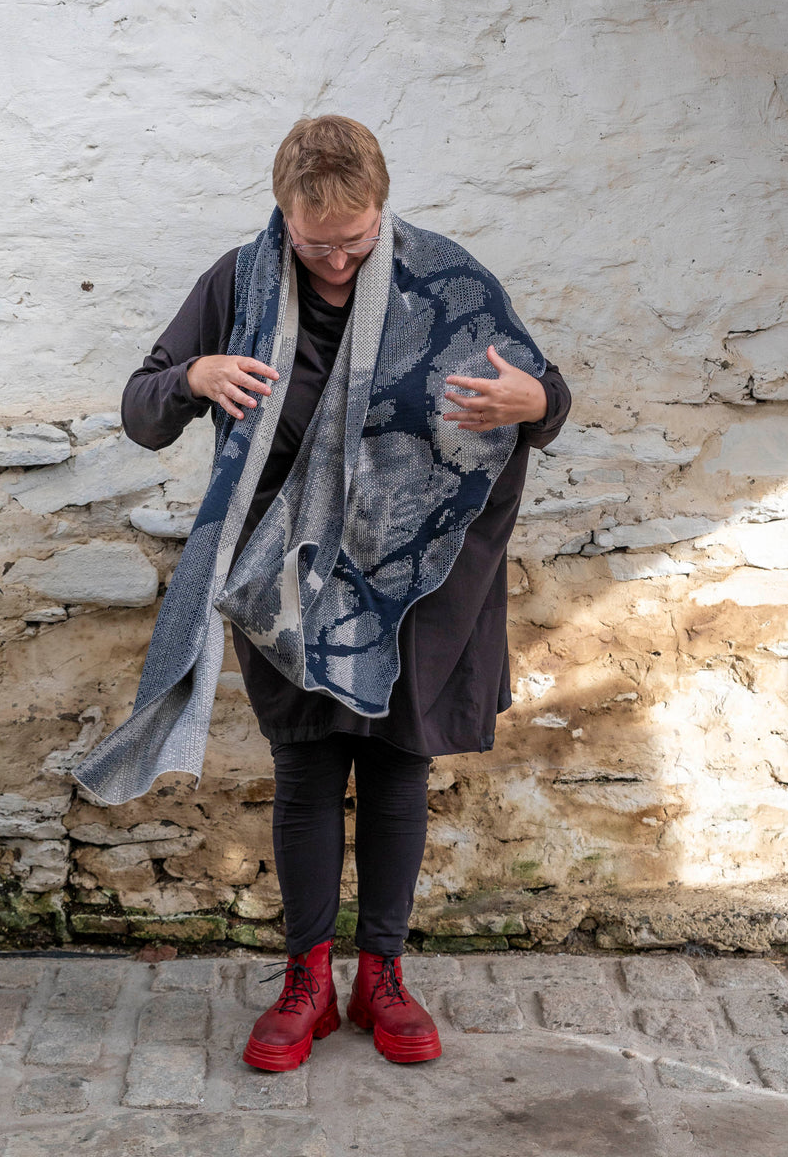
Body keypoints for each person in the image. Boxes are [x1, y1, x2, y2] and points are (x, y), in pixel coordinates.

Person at [78, 115, 571, 1071]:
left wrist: (538, 402)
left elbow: (546, 397)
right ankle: (305, 979)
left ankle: (380, 975)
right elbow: (142, 411)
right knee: (306, 771)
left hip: (418, 580)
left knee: (396, 771)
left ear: (383, 212)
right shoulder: (238, 283)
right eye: (315, 244)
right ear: (282, 218)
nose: (337, 262)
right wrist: (196, 373)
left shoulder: (448, 277)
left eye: (354, 240)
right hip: (287, 583)